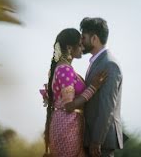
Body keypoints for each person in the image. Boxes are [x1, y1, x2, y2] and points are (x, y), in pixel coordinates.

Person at [41, 28, 107, 157]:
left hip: (66, 124)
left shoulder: (62, 68)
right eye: (80, 44)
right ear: (70, 48)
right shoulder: (65, 69)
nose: (82, 47)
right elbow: (69, 106)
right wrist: (93, 88)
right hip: (67, 127)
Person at [78, 17, 124, 157]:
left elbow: (107, 107)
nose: (81, 41)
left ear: (94, 39)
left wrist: (96, 140)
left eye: (83, 37)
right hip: (92, 139)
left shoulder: (109, 64)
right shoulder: (97, 61)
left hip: (100, 143)